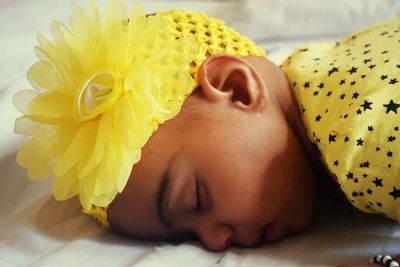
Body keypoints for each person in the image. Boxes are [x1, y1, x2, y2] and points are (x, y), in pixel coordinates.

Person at [13, 0, 400, 264]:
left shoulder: (361, 139)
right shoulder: (316, 65)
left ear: (236, 87)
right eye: (185, 239)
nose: (214, 241)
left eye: (195, 199)